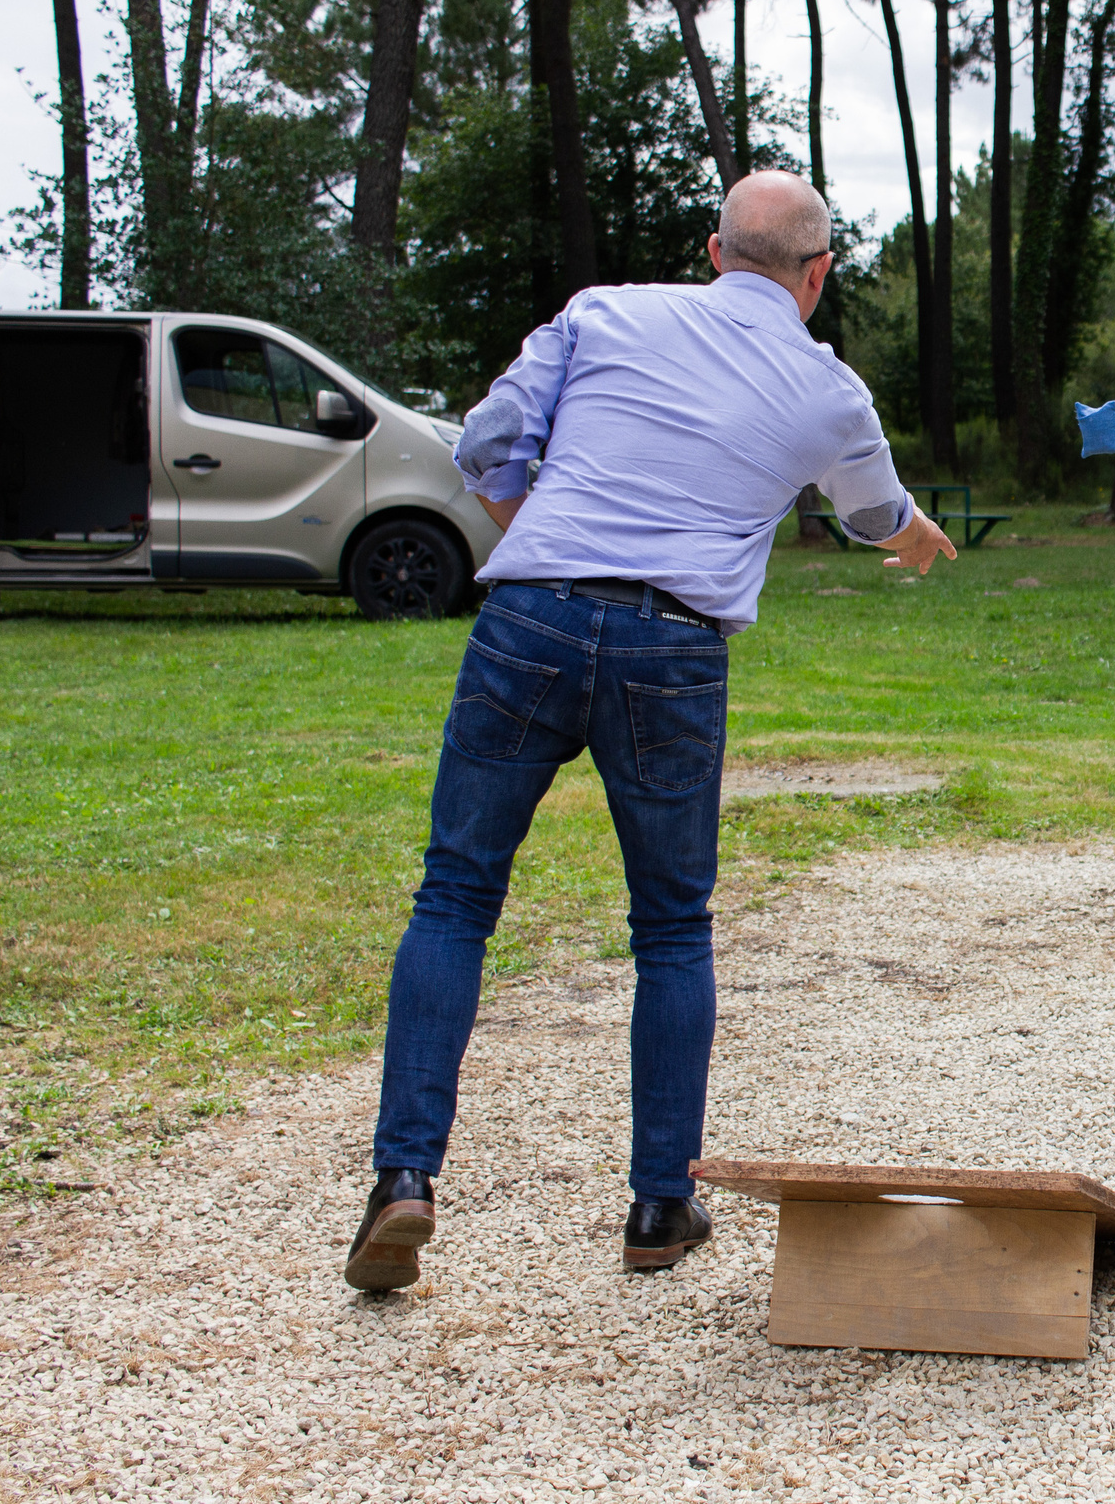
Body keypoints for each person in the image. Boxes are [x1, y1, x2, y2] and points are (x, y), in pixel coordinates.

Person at [344, 171, 957, 1293]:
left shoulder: (603, 312)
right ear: (817, 276)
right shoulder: (830, 391)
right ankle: (660, 1205)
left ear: (714, 250)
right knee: (671, 927)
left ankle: (403, 1183)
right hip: (672, 650)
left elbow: (486, 440)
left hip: (527, 620)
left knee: (455, 895)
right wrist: (913, 532)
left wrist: (531, 529)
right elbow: (869, 511)